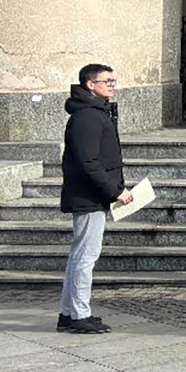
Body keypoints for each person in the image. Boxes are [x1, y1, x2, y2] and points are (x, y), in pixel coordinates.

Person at [56, 63, 133, 334]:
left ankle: (69, 313)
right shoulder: (88, 116)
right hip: (88, 196)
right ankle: (78, 314)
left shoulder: (96, 112)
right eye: (106, 81)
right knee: (85, 257)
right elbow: (89, 162)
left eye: (113, 81)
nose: (112, 85)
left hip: (91, 195)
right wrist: (116, 191)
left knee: (80, 256)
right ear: (90, 85)